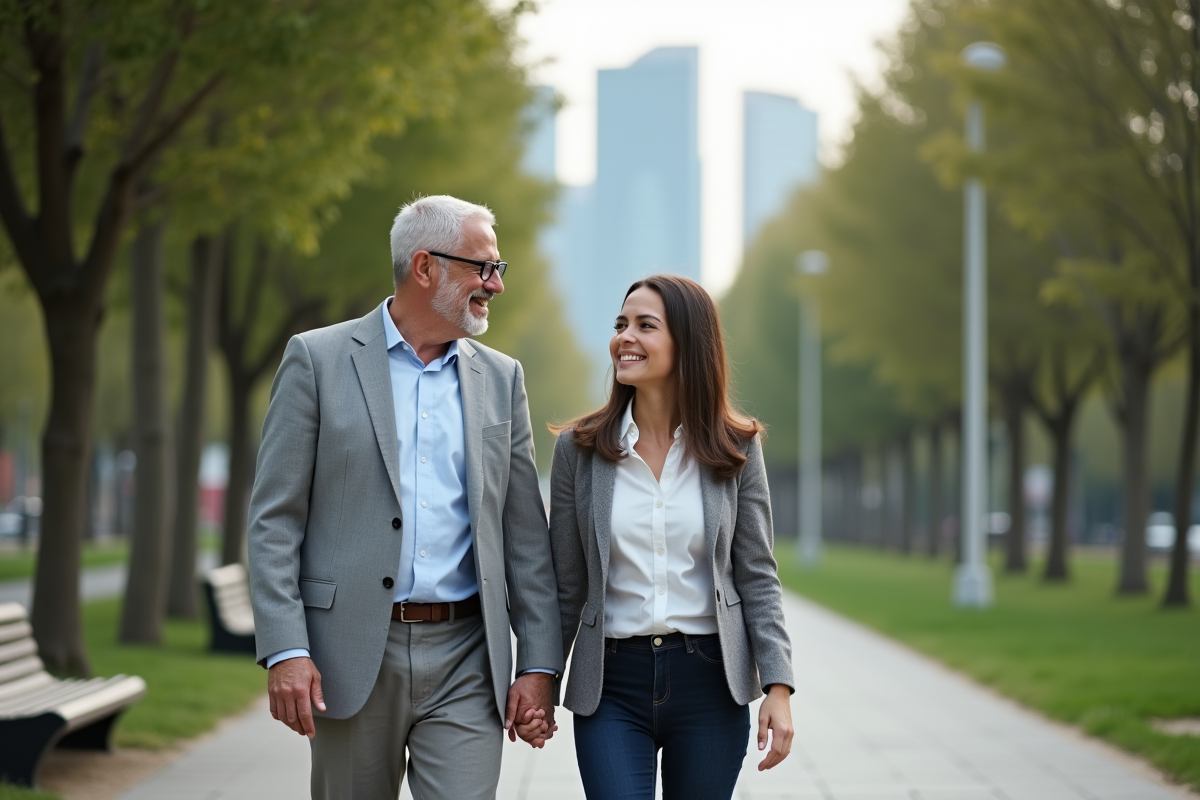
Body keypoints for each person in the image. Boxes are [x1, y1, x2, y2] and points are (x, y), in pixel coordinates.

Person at [247, 195, 563, 800]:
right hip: (350, 653)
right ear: (425, 267)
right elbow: (273, 522)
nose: (495, 285)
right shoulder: (316, 360)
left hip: (470, 658)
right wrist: (286, 648)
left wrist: (539, 666)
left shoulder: (503, 379)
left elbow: (524, 536)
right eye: (483, 267)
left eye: (498, 268)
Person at [548, 274, 794, 800]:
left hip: (710, 682)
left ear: (688, 343)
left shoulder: (737, 449)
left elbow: (757, 574)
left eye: (645, 326)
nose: (624, 337)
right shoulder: (579, 450)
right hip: (611, 683)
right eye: (620, 325)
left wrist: (778, 685)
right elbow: (567, 585)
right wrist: (541, 679)